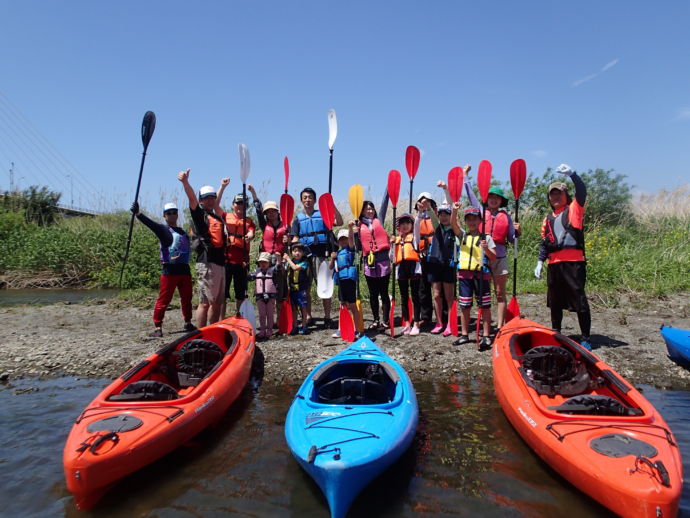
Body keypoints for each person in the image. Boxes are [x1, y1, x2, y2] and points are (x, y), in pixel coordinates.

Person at [534, 164, 592, 350]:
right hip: (554, 265)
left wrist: (573, 175)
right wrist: (540, 262)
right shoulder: (547, 219)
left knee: (579, 299)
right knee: (555, 300)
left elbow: (582, 192)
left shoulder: (574, 210)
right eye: (552, 194)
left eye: (559, 193)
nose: (555, 197)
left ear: (566, 195)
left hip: (573, 264)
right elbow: (545, 243)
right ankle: (556, 332)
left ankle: (585, 338)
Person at [462, 174, 521, 328]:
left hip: (500, 259)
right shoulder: (481, 213)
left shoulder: (506, 217)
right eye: (491, 197)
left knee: (500, 294)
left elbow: (512, 239)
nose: (494, 199)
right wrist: (465, 176)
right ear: (486, 199)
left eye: (497, 197)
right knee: (484, 295)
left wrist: (518, 232)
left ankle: (501, 326)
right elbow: (471, 196)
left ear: (501, 201)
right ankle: (488, 325)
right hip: (483, 259)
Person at [130, 201, 196, 337]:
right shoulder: (162, 229)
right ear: (164, 216)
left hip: (184, 270)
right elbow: (149, 223)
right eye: (169, 213)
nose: (172, 215)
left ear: (177, 215)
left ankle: (188, 322)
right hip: (169, 270)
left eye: (174, 212)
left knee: (187, 298)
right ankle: (158, 327)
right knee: (164, 299)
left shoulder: (183, 232)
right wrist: (138, 213)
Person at [178, 169, 226, 327]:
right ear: (201, 201)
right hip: (207, 262)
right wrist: (185, 183)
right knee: (207, 303)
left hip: (219, 262)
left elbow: (216, 201)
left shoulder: (216, 216)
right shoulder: (200, 215)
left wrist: (222, 187)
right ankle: (204, 333)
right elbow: (191, 198)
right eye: (207, 198)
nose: (211, 200)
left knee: (215, 302)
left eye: (213, 197)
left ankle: (210, 331)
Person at [291, 187, 343, 329]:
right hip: (305, 257)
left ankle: (327, 317)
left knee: (325, 285)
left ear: (315, 200)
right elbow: (295, 237)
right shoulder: (298, 219)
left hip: (322, 255)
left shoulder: (324, 215)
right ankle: (308, 316)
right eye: (305, 197)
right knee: (305, 288)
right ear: (302, 200)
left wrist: (331, 205)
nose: (307, 200)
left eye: (310, 197)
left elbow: (339, 222)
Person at [451, 205, 496, 348]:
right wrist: (454, 210)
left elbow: (493, 257)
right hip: (465, 275)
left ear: (480, 220)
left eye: (475, 219)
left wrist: (486, 248)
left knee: (485, 306)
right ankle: (464, 335)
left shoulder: (486, 238)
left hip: (481, 275)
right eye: (469, 219)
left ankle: (486, 335)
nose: (472, 222)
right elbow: (453, 224)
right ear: (465, 221)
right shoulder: (463, 235)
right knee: (465, 306)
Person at [247, 184, 290, 321]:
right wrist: (254, 194)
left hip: (280, 259)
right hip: (266, 260)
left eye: (273, 211)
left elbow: (292, 243)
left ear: (278, 212)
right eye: (268, 212)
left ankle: (281, 318)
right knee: (267, 288)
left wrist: (288, 239)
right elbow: (258, 210)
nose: (271, 213)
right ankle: (269, 319)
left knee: (281, 287)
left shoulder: (286, 225)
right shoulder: (264, 224)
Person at [422, 198, 458, 336]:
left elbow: (456, 221)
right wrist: (428, 207)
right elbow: (432, 216)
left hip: (448, 266)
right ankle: (439, 323)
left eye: (446, 215)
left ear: (451, 216)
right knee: (436, 295)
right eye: (441, 214)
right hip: (434, 264)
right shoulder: (437, 227)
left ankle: (450, 323)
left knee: (449, 297)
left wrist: (454, 210)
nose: (443, 217)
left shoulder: (455, 230)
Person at [355, 197, 391, 331]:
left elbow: (384, 203)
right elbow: (358, 247)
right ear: (362, 211)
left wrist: (388, 188)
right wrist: (354, 235)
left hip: (382, 260)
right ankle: (376, 319)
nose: (369, 211)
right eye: (366, 209)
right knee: (373, 293)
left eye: (371, 208)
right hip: (369, 262)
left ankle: (386, 320)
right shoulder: (358, 226)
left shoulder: (379, 219)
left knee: (384, 292)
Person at [390, 213, 422, 336]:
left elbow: (418, 227)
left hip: (414, 268)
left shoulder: (414, 238)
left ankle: (416, 323)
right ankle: (407, 323)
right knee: (404, 297)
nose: (404, 226)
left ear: (411, 225)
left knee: (415, 296)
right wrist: (392, 244)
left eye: (407, 223)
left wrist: (418, 216)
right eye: (402, 223)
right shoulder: (396, 240)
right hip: (401, 269)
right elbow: (392, 257)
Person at [330, 224, 363, 338]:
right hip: (341, 280)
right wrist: (332, 258)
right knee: (342, 305)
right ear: (338, 242)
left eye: (345, 239)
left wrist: (350, 229)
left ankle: (356, 329)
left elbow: (351, 239)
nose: (344, 241)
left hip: (349, 279)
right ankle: (340, 328)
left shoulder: (350, 249)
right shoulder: (337, 253)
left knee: (352, 305)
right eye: (341, 240)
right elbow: (330, 267)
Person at [414, 192, 438, 328]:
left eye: (428, 202)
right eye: (422, 203)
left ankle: (443, 317)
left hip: (436, 257)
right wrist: (420, 212)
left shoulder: (438, 217)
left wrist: (428, 208)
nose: (424, 204)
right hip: (422, 256)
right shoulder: (417, 218)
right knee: (423, 289)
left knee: (437, 289)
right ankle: (426, 317)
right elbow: (416, 234)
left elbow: (437, 226)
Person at [249, 251, 279, 340]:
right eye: (261, 262)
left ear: (269, 263)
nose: (263, 264)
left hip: (271, 296)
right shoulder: (256, 271)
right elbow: (249, 277)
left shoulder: (273, 270)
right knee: (261, 314)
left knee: (270, 314)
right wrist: (245, 270)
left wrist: (279, 260)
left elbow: (280, 268)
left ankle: (270, 330)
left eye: (265, 262)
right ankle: (262, 330)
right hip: (260, 296)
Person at [283, 242, 311, 335]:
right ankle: (294, 325)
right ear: (292, 253)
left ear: (303, 253)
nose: (297, 253)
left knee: (303, 307)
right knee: (294, 308)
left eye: (299, 251)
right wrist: (284, 261)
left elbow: (295, 268)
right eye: (295, 251)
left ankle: (304, 325)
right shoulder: (290, 262)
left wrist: (287, 259)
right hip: (292, 288)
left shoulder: (304, 262)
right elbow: (285, 270)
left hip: (301, 289)